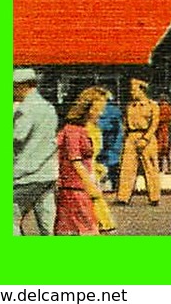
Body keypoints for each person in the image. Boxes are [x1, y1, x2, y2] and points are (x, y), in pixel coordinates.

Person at [55, 87, 107, 235]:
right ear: (87, 108)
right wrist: (91, 186)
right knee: (88, 231)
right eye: (98, 109)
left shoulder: (80, 129)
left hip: (77, 188)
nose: (101, 113)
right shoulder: (73, 130)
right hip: (74, 189)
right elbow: (75, 160)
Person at [13, 68, 59, 235]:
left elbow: (17, 137)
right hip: (48, 172)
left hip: (26, 174)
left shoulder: (26, 108)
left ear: (22, 86)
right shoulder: (48, 107)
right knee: (47, 222)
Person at [115, 77, 162, 206]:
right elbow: (125, 122)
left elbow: (154, 124)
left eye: (134, 90)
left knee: (150, 167)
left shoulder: (153, 106)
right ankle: (123, 197)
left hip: (147, 136)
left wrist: (145, 139)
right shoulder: (130, 106)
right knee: (127, 167)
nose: (131, 92)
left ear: (142, 90)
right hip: (131, 136)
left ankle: (154, 197)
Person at [84, 90, 118, 233]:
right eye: (97, 109)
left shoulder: (94, 128)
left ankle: (102, 225)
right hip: (90, 170)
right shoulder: (86, 129)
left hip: (93, 168)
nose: (101, 113)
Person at [94, 91, 124, 196]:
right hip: (111, 141)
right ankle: (115, 185)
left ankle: (104, 184)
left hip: (104, 140)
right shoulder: (115, 110)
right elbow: (119, 127)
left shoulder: (100, 109)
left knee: (101, 162)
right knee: (112, 164)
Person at [155, 92, 171, 174]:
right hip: (167, 130)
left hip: (159, 130)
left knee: (159, 151)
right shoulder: (170, 108)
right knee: (167, 151)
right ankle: (168, 167)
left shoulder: (158, 107)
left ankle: (160, 167)